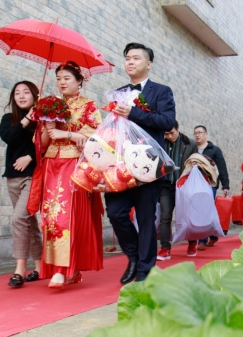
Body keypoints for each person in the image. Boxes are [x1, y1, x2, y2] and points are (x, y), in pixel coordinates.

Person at [102, 43, 176, 283]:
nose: (130, 62)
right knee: (115, 212)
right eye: (127, 59)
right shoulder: (118, 93)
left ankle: (145, 271)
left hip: (148, 165)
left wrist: (133, 113)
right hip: (120, 166)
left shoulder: (161, 92)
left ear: (149, 63)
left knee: (146, 218)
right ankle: (134, 256)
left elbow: (167, 122)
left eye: (135, 58)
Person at [38, 62, 103, 289]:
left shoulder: (88, 106)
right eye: (59, 78)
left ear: (79, 81)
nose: (62, 82)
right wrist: (46, 127)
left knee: (67, 214)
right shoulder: (51, 105)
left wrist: (65, 132)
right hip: (51, 163)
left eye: (66, 78)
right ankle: (66, 268)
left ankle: (62, 269)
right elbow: (43, 143)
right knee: (50, 215)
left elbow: (97, 135)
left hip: (74, 163)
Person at [0, 81, 42, 287]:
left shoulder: (43, 120)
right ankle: (41, 265)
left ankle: (19, 269)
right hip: (12, 178)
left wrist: (30, 157)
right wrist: (26, 119)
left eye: (26, 92)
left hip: (32, 176)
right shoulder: (10, 119)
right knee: (29, 221)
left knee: (19, 218)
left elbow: (46, 146)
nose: (22, 96)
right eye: (17, 93)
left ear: (35, 95)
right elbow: (9, 137)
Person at [156, 121, 194, 261]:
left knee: (187, 217)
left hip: (184, 186)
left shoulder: (190, 144)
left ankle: (192, 242)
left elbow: (197, 162)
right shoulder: (160, 143)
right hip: (166, 185)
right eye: (166, 134)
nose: (170, 136)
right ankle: (165, 248)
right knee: (165, 216)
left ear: (178, 128)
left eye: (172, 133)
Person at [191, 125, 229, 252]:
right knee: (198, 211)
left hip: (210, 184)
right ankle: (212, 235)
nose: (197, 135)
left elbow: (222, 168)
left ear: (206, 134)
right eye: (195, 133)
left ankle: (202, 240)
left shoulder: (214, 150)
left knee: (205, 211)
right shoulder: (192, 149)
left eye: (200, 132)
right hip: (195, 184)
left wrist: (226, 185)